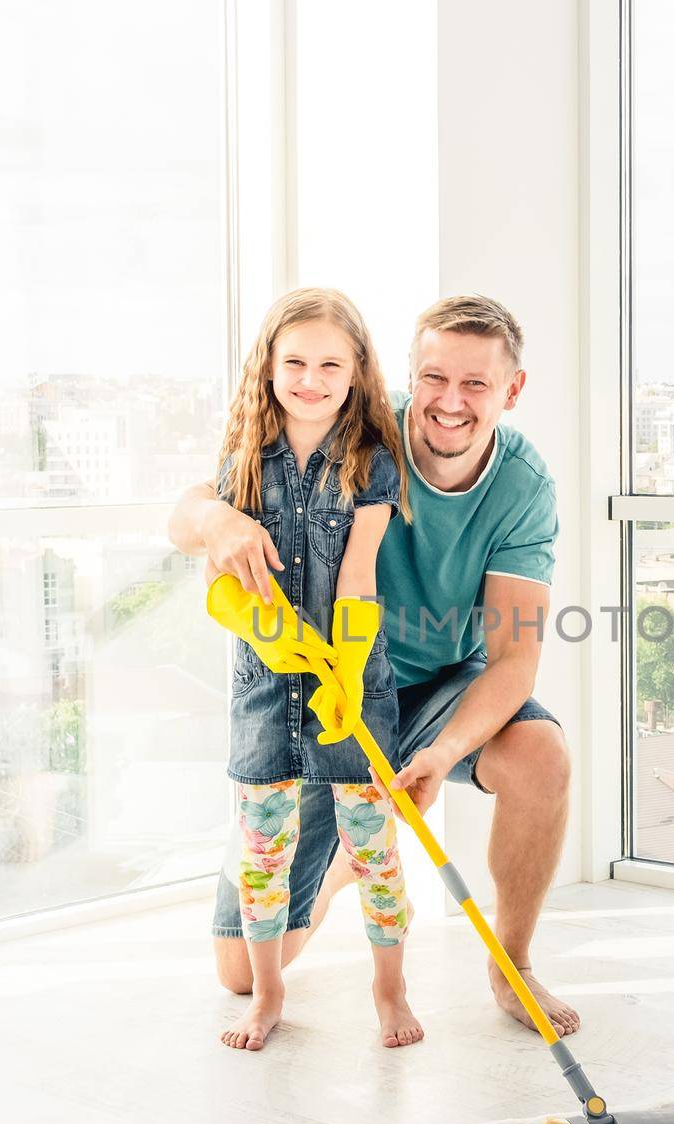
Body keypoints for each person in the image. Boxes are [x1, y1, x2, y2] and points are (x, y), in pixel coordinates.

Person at [171, 294, 579, 1037]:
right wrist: (216, 520)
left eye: (476, 385)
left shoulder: (524, 488)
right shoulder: (358, 423)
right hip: (327, 694)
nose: (449, 403)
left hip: (433, 691)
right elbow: (202, 500)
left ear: (511, 391)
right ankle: (342, 863)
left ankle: (511, 963)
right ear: (406, 376)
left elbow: (516, 657)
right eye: (434, 378)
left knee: (541, 754)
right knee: (237, 974)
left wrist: (444, 752)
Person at [207, 287, 421, 1052]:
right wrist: (275, 639)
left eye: (331, 363)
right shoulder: (239, 464)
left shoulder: (372, 461)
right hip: (264, 693)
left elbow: (360, 571)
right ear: (267, 367)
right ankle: (267, 996)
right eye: (294, 361)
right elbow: (221, 584)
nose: (311, 377)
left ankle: (388, 988)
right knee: (262, 854)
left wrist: (347, 665)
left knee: (374, 849)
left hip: (352, 690)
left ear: (357, 368)